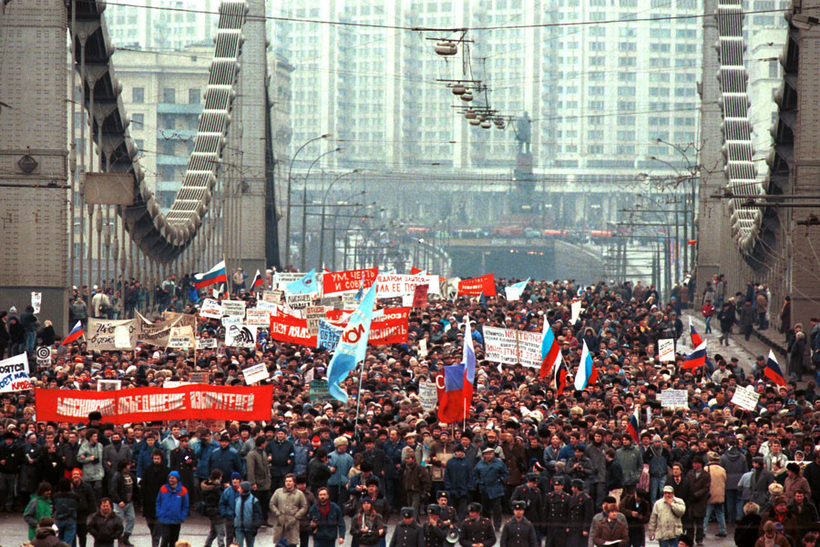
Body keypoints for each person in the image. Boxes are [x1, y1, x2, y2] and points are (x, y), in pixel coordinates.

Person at [473, 447, 508, 531]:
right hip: (484, 488)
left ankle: (497, 525)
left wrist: (501, 480)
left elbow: (505, 473)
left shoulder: (499, 463)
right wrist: (478, 482)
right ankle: (486, 524)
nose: (488, 456)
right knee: (485, 509)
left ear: (493, 454)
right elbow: (474, 474)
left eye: (490, 454)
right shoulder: (480, 463)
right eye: (487, 454)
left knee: (497, 509)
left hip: (496, 488)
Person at [270, 473, 308, 546]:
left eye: (290, 481)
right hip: (280, 523)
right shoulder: (278, 492)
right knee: (279, 544)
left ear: (294, 483)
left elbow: (304, 506)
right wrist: (277, 513)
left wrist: (296, 516)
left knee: (292, 544)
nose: (288, 483)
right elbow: (272, 504)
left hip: (293, 524)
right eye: (286, 481)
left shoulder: (299, 494)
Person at [142, 449, 170, 547]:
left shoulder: (166, 471)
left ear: (161, 459)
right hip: (149, 502)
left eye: (158, 459)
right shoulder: (148, 469)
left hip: (161, 502)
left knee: (157, 529)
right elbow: (144, 485)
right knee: (151, 525)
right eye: (154, 458)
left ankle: (156, 544)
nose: (156, 460)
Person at [156, 470, 189, 547]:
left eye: (173, 478)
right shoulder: (163, 488)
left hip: (176, 519)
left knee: (174, 541)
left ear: (177, 479)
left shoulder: (183, 490)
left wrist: (182, 516)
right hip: (165, 518)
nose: (171, 480)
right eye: (170, 478)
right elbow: (158, 502)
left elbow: (185, 505)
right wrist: (159, 513)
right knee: (165, 538)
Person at [246, 435, 272, 525]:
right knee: (256, 504)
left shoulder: (263, 453)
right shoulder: (252, 454)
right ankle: (256, 520)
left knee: (265, 503)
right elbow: (250, 470)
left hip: (265, 483)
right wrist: (252, 483)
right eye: (265, 443)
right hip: (257, 484)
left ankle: (264, 520)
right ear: (262, 444)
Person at [109, 459, 136, 547]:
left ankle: (126, 537)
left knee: (131, 519)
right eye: (128, 465)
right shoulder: (117, 476)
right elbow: (113, 490)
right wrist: (118, 500)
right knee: (119, 522)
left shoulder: (130, 475)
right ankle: (120, 538)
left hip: (129, 502)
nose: (130, 466)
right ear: (124, 466)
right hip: (119, 503)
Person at [234, 481, 263, 547]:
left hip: (250, 529)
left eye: (240, 488)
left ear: (244, 489)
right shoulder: (237, 500)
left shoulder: (254, 501)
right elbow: (234, 514)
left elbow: (258, 515)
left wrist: (255, 526)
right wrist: (234, 525)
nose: (238, 490)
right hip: (238, 528)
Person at [78, 429, 105, 501]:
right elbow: (79, 459)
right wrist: (88, 459)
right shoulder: (84, 446)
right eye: (94, 436)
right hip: (88, 474)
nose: (96, 437)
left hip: (98, 472)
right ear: (90, 437)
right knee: (89, 491)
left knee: (98, 489)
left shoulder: (100, 445)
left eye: (97, 436)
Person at [202, 469, 226, 547]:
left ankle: (207, 545)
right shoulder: (215, 489)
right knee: (220, 531)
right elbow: (222, 497)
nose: (221, 478)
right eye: (221, 477)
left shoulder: (207, 487)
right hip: (216, 511)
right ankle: (221, 545)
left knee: (213, 531)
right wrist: (224, 488)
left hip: (210, 511)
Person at [54, 476, 79, 547]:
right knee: (68, 541)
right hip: (71, 519)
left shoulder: (56, 496)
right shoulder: (74, 496)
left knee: (59, 540)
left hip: (59, 519)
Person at [220, 472, 243, 546]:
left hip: (239, 518)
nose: (235, 480)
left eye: (237, 479)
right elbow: (222, 503)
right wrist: (224, 513)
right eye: (233, 479)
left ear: (240, 480)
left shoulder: (242, 491)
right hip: (229, 517)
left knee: (239, 538)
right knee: (229, 537)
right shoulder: (227, 491)